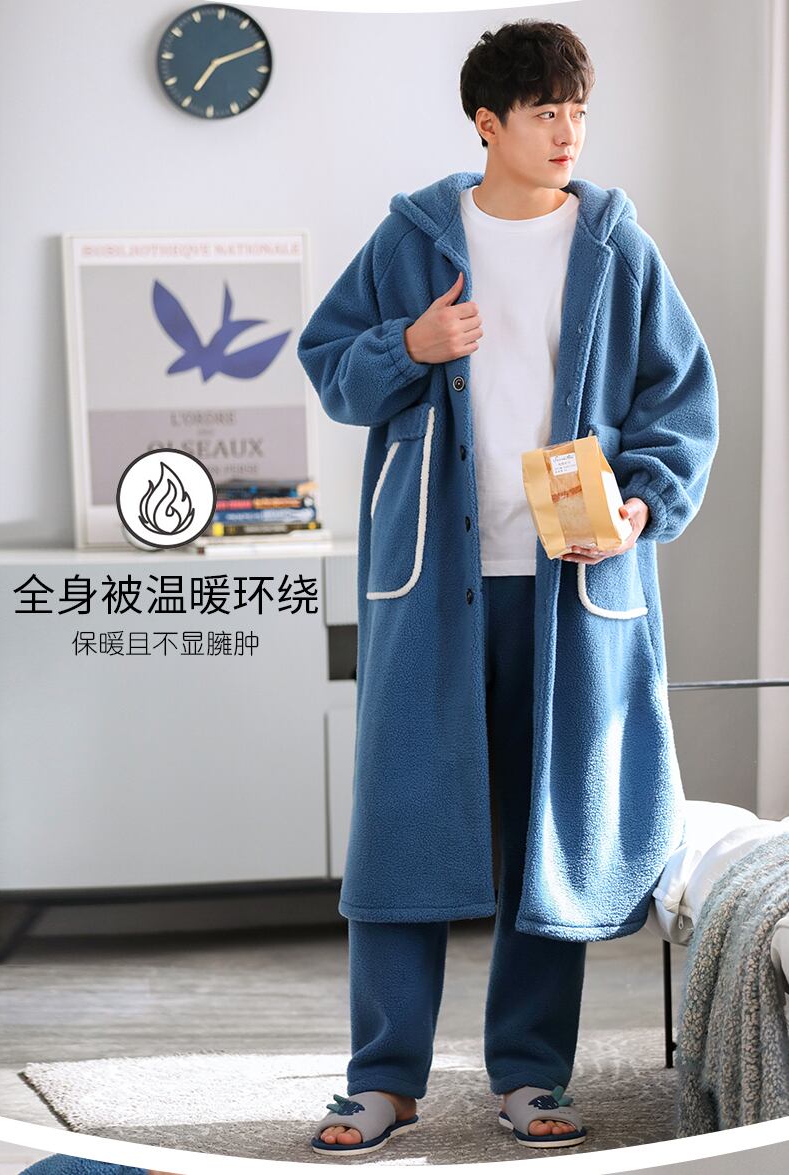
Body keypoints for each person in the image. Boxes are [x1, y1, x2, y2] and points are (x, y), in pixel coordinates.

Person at [297, 17, 718, 1156]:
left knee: (548, 832)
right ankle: (381, 1079)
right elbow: (332, 369)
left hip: (571, 585)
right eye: (544, 112)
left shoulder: (617, 247)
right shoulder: (412, 239)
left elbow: (680, 405)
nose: (568, 131)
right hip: (432, 585)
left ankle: (531, 1074)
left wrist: (638, 509)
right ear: (488, 124)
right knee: (401, 826)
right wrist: (413, 345)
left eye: (578, 110)